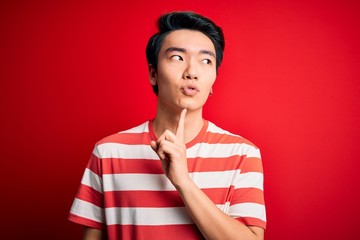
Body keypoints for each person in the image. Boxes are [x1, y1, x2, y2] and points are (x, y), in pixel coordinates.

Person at [69, 11, 266, 240]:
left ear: (213, 80)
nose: (192, 72)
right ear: (153, 73)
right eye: (177, 58)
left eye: (206, 61)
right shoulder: (108, 152)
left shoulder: (242, 153)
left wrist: (182, 181)